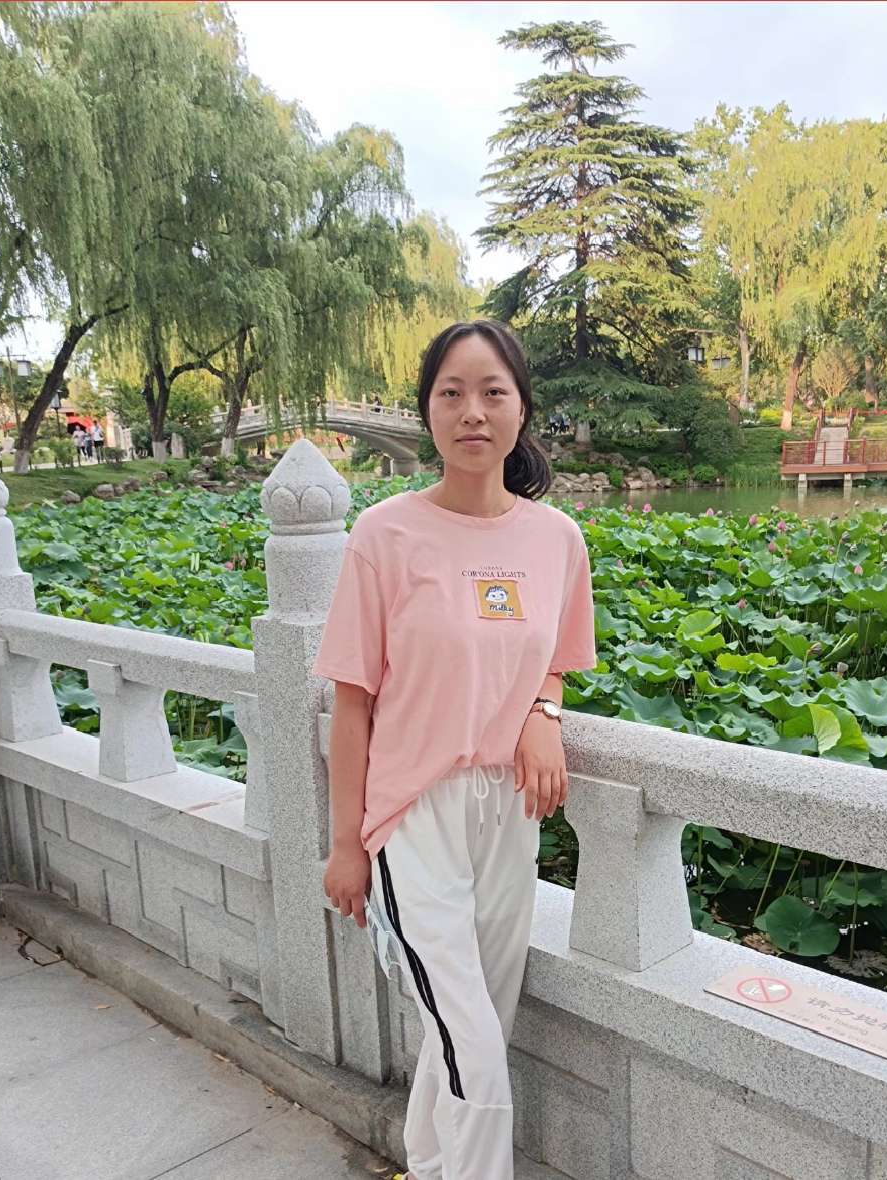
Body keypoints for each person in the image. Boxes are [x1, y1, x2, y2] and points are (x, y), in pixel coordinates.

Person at [313, 319, 596, 1180]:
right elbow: (353, 702)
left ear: (521, 410)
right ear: (428, 411)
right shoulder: (384, 535)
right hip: (413, 819)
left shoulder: (556, 540)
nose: (473, 411)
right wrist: (346, 844)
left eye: (493, 392)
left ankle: (431, 1168)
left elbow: (555, 659)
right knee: (472, 1045)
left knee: (472, 1026)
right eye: (452, 393)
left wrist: (542, 711)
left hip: (508, 812)